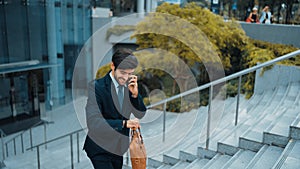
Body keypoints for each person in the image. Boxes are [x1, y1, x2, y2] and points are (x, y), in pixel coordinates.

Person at [83, 48, 147, 169]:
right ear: (113, 66)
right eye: (123, 73)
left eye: (130, 73)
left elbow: (141, 114)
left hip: (118, 148)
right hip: (100, 148)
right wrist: (124, 123)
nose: (126, 77)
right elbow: (93, 122)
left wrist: (134, 95)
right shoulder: (96, 87)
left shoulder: (130, 85)